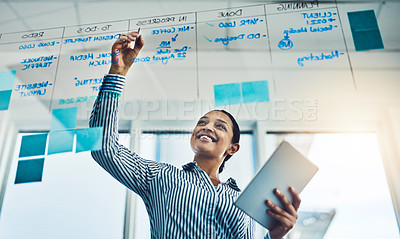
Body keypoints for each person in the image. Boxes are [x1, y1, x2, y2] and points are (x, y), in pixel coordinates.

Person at [89, 31, 301, 239]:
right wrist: (117, 72)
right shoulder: (161, 177)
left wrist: (275, 237)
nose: (207, 127)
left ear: (232, 148)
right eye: (202, 123)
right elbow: (104, 149)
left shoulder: (241, 201)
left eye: (220, 126)